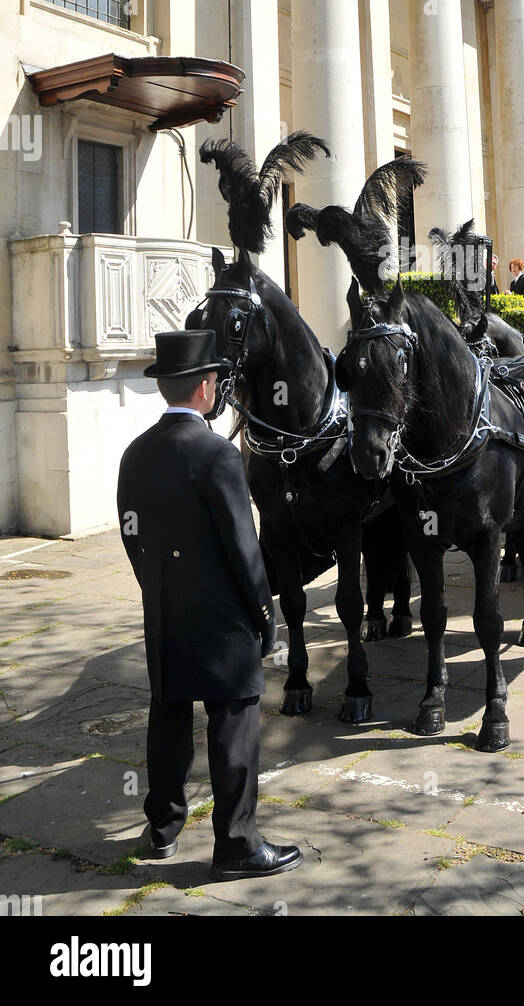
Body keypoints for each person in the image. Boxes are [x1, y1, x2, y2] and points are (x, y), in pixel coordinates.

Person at [117, 330, 303, 879]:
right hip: (222, 617)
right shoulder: (218, 454)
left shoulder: (135, 453)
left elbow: (131, 532)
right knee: (234, 723)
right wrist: (263, 617)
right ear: (204, 387)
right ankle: (238, 844)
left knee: (168, 716)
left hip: (165, 607)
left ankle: (163, 828)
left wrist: (154, 584)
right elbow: (245, 549)